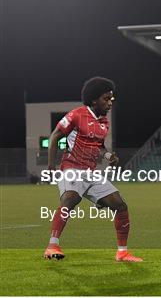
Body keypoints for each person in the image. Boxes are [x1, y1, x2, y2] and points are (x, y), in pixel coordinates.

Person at [43, 77, 143, 262]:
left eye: (112, 98)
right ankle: (52, 245)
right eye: (107, 98)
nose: (110, 102)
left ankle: (122, 252)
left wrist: (107, 156)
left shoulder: (104, 122)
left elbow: (100, 146)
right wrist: (51, 165)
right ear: (94, 99)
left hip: (91, 172)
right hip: (71, 168)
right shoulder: (77, 114)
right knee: (70, 199)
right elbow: (55, 136)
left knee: (120, 205)